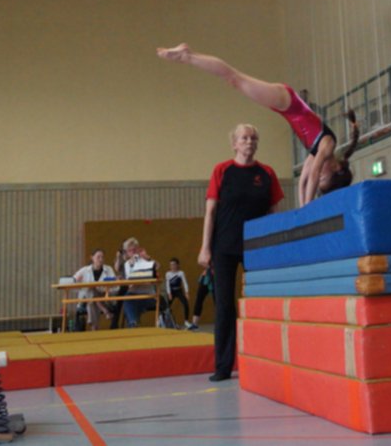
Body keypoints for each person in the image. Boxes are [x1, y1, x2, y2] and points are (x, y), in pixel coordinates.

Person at [157, 43, 358, 207]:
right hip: (289, 102)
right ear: (336, 167)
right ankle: (187, 56)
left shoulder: (316, 154)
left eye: (321, 180)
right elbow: (313, 175)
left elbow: (304, 178)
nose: (320, 175)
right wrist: (308, 208)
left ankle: (189, 56)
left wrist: (303, 207)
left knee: (234, 80)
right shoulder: (328, 145)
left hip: (285, 107)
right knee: (233, 77)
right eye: (324, 178)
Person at [200, 123, 284, 381]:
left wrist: (275, 246)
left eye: (253, 138)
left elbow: (274, 214)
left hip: (256, 248)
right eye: (244, 138)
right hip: (224, 247)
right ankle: (223, 367)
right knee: (224, 306)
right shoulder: (222, 170)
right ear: (234, 143)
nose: (249, 142)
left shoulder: (267, 173)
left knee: (260, 303)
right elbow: (210, 212)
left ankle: (264, 360)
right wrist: (205, 248)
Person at [121, 238, 167, 328]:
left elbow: (158, 266)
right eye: (130, 250)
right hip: (134, 293)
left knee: (135, 304)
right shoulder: (127, 264)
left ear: (138, 249)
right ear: (127, 253)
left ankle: (133, 324)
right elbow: (130, 283)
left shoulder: (145, 260)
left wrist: (148, 257)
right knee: (127, 299)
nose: (132, 252)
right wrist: (132, 266)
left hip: (148, 295)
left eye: (134, 249)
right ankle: (133, 323)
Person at [71, 248, 116, 331]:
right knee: (91, 291)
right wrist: (77, 281)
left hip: (104, 297)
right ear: (92, 258)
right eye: (98, 257)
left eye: (102, 257)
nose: (101, 259)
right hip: (86, 299)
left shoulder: (108, 269)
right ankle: (105, 311)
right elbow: (72, 281)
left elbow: (115, 285)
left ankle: (94, 327)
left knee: (91, 301)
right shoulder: (84, 270)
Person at [165, 258, 191, 328]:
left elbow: (185, 283)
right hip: (172, 291)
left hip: (179, 290)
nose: (172, 266)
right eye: (171, 265)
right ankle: (167, 322)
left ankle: (186, 321)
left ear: (177, 265)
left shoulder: (181, 273)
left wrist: (187, 292)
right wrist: (169, 293)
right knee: (166, 306)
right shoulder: (168, 274)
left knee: (185, 304)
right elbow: (167, 284)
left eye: (174, 264)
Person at [188, 265, 213, 331]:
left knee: (218, 301)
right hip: (206, 277)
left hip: (217, 277)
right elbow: (202, 262)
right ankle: (194, 323)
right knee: (199, 299)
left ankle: (224, 322)